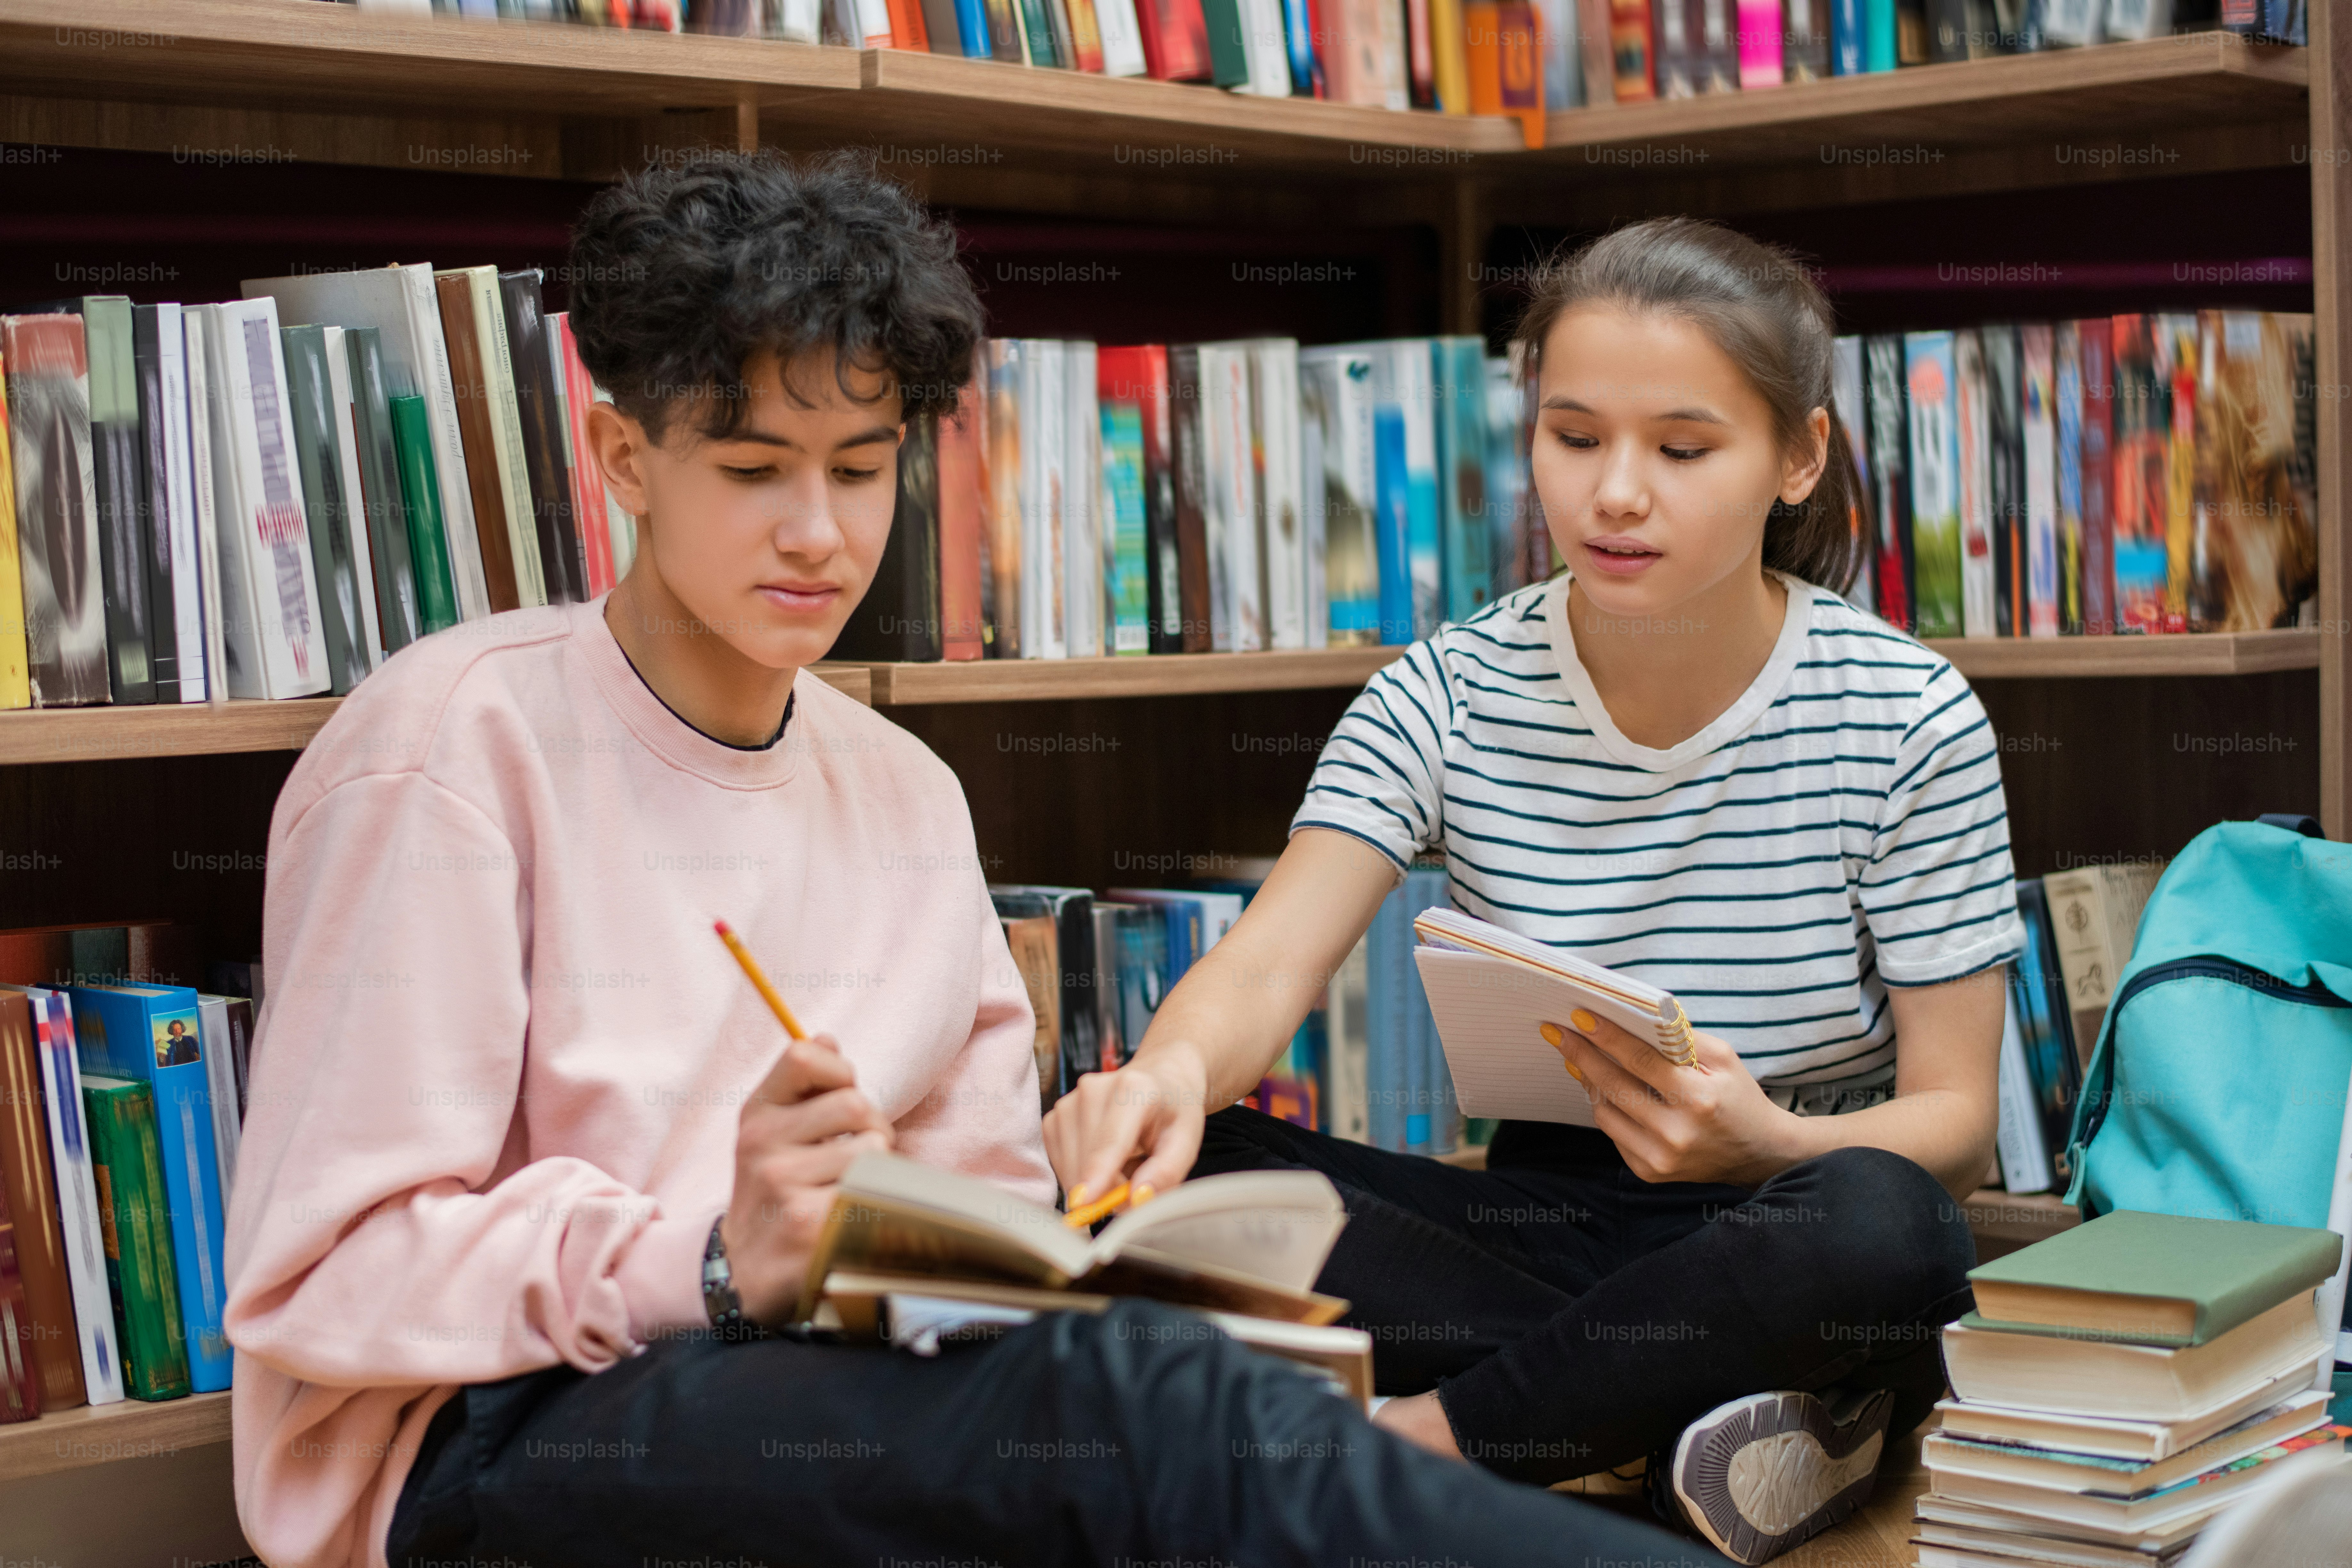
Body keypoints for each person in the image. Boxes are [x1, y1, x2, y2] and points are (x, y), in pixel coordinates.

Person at [220, 153, 1724, 1568]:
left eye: (860, 470)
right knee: (1144, 1421)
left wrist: (1022, 1269)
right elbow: (322, 1271)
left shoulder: (904, 793)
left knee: (1163, 1389)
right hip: (498, 1435)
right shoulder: (451, 747)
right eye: (754, 468)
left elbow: (978, 1208)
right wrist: (716, 1259)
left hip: (811, 1381)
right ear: (625, 452)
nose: (818, 534)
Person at [1044, 217, 2022, 1566]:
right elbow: (1267, 966)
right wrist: (1158, 1082)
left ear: (1796, 457)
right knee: (1148, 1168)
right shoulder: (1442, 690)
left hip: (1782, 1216)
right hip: (1525, 1232)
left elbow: (1959, 1121)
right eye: (1574, 438)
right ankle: (1703, 1420)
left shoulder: (1905, 713)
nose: (1616, 492)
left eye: (1682, 449)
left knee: (1890, 1227)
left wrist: (1760, 1146)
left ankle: (1435, 1448)